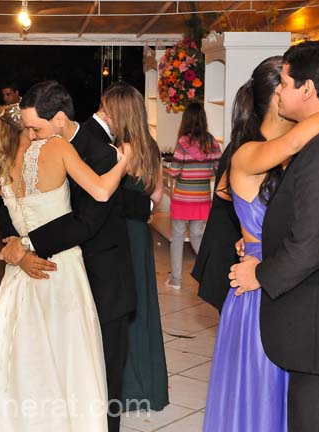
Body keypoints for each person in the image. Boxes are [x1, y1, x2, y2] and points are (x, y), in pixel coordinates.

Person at [205, 54, 319, 431]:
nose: (283, 91)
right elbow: (297, 139)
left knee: (299, 407)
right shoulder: (251, 151)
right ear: (275, 100)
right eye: (280, 85)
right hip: (261, 291)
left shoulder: (311, 152)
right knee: (262, 398)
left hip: (293, 291)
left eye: (287, 83)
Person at [0, 80, 151, 432]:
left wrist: (28, 245)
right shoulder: (37, 146)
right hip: (51, 271)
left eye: (36, 128)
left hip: (101, 277)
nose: (30, 136)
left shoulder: (98, 152)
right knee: (47, 365)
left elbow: (85, 223)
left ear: (61, 120)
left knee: (101, 375)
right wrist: (15, 246)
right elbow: (12, 206)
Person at [0, 101, 130, 431]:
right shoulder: (56, 148)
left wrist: (18, 248)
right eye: (31, 127)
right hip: (61, 270)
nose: (37, 131)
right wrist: (123, 162)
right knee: (67, 354)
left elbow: (9, 220)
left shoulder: (2, 164)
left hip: (19, 273)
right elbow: (100, 192)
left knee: (21, 357)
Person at [100, 83, 169, 413]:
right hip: (140, 233)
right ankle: (148, 387)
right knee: (141, 302)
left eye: (107, 109)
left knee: (120, 305)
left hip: (119, 231)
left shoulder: (116, 149)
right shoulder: (151, 147)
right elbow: (157, 197)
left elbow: (106, 193)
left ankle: (124, 388)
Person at [166, 102, 222, 290]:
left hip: (182, 199)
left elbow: (174, 172)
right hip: (202, 199)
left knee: (178, 238)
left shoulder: (183, 143)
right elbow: (218, 168)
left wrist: (173, 169)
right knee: (197, 237)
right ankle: (211, 272)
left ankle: (176, 281)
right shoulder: (211, 142)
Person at [191, 144, 241, 313]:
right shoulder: (245, 148)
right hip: (229, 237)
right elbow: (222, 188)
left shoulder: (238, 144)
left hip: (223, 232)